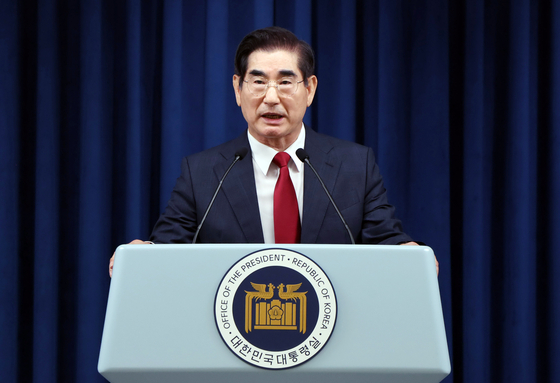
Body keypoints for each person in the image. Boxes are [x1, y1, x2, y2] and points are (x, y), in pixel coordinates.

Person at [109, 26, 438, 277]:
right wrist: (144, 254)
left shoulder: (354, 166)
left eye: (285, 82)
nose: (270, 97)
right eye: (258, 82)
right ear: (238, 89)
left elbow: (385, 240)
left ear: (309, 89)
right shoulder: (203, 174)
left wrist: (408, 254)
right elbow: (169, 247)